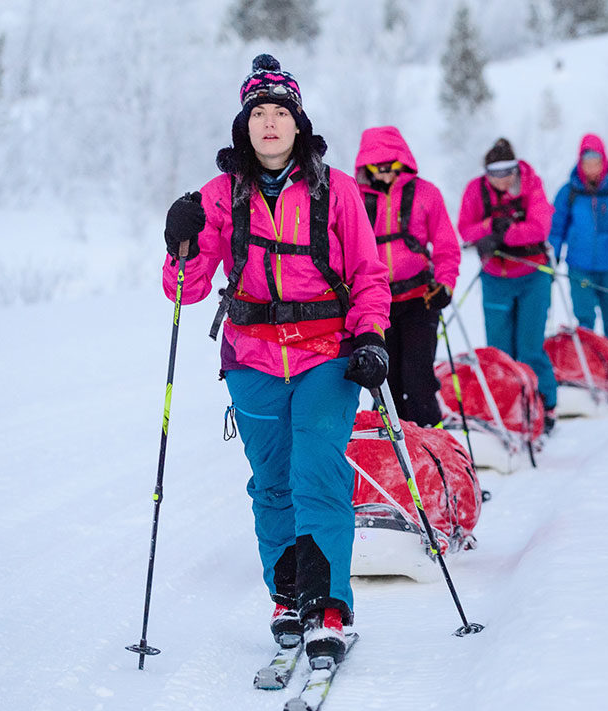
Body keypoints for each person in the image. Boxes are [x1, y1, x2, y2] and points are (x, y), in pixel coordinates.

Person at [160, 55, 391, 667]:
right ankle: (288, 596)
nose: (268, 122)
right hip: (252, 358)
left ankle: (329, 606)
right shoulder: (219, 196)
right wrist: (179, 242)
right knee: (272, 482)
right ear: (244, 124)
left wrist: (370, 337)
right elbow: (185, 289)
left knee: (317, 471)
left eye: (279, 112)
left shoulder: (335, 189)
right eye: (257, 112)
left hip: (326, 354)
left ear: (297, 122)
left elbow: (369, 274)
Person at [355, 126, 460, 427]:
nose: (386, 174)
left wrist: (445, 285)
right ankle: (389, 450)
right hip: (376, 303)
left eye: (392, 167)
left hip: (420, 299)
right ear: (367, 166)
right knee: (384, 383)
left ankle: (434, 444)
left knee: (419, 380)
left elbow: (446, 248)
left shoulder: (427, 194)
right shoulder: (355, 198)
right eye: (379, 168)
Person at [457, 138, 560, 430]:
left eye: (507, 172)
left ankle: (545, 402)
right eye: (495, 174)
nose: (502, 180)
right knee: (499, 350)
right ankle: (506, 404)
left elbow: (539, 227)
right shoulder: (475, 191)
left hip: (532, 275)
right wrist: (490, 227)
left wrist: (505, 234)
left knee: (529, 346)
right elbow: (465, 228)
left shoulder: (531, 185)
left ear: (515, 169)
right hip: (496, 278)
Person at [548, 133, 608, 351]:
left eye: (596, 162)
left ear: (604, 161)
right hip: (579, 267)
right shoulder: (569, 192)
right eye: (587, 163)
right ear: (580, 163)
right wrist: (552, 254)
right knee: (584, 321)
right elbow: (555, 229)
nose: (591, 168)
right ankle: (590, 369)